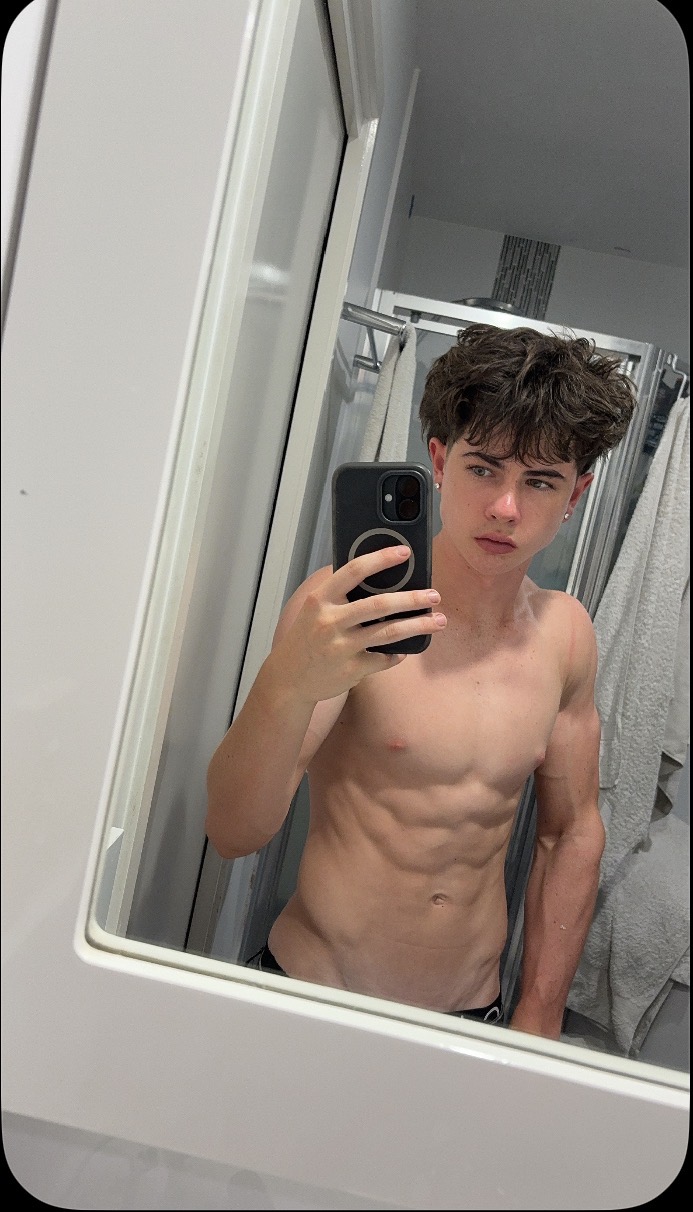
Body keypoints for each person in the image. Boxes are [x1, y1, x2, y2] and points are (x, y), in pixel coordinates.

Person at [206, 323, 637, 1038]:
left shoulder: (565, 633)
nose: (505, 508)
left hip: (469, 1014)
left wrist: (538, 1010)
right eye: (483, 469)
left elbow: (569, 834)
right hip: (315, 998)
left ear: (575, 493)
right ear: (438, 460)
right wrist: (289, 684)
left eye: (539, 481)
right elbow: (232, 832)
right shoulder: (350, 611)